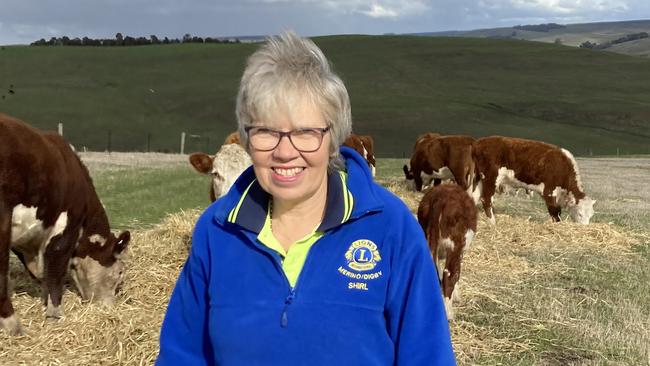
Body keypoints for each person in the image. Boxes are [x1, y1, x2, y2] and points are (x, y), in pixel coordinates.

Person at [156, 31, 456, 365]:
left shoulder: (390, 228)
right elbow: (182, 354)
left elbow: (429, 355)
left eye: (305, 132)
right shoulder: (216, 231)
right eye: (266, 131)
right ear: (246, 138)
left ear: (333, 139)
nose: (285, 152)